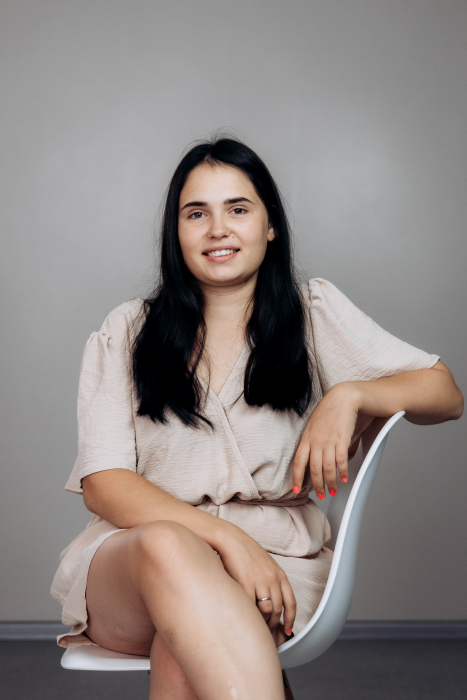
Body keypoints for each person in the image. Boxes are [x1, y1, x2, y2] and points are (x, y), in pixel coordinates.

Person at [51, 138, 463, 700]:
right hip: (134, 569)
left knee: (188, 641)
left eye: (238, 209)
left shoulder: (311, 315)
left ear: (270, 225)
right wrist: (228, 542)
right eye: (197, 213)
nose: (218, 229)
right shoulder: (127, 331)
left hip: (277, 564)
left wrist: (351, 395)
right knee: (169, 548)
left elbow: (445, 393)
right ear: (176, 232)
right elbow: (103, 483)